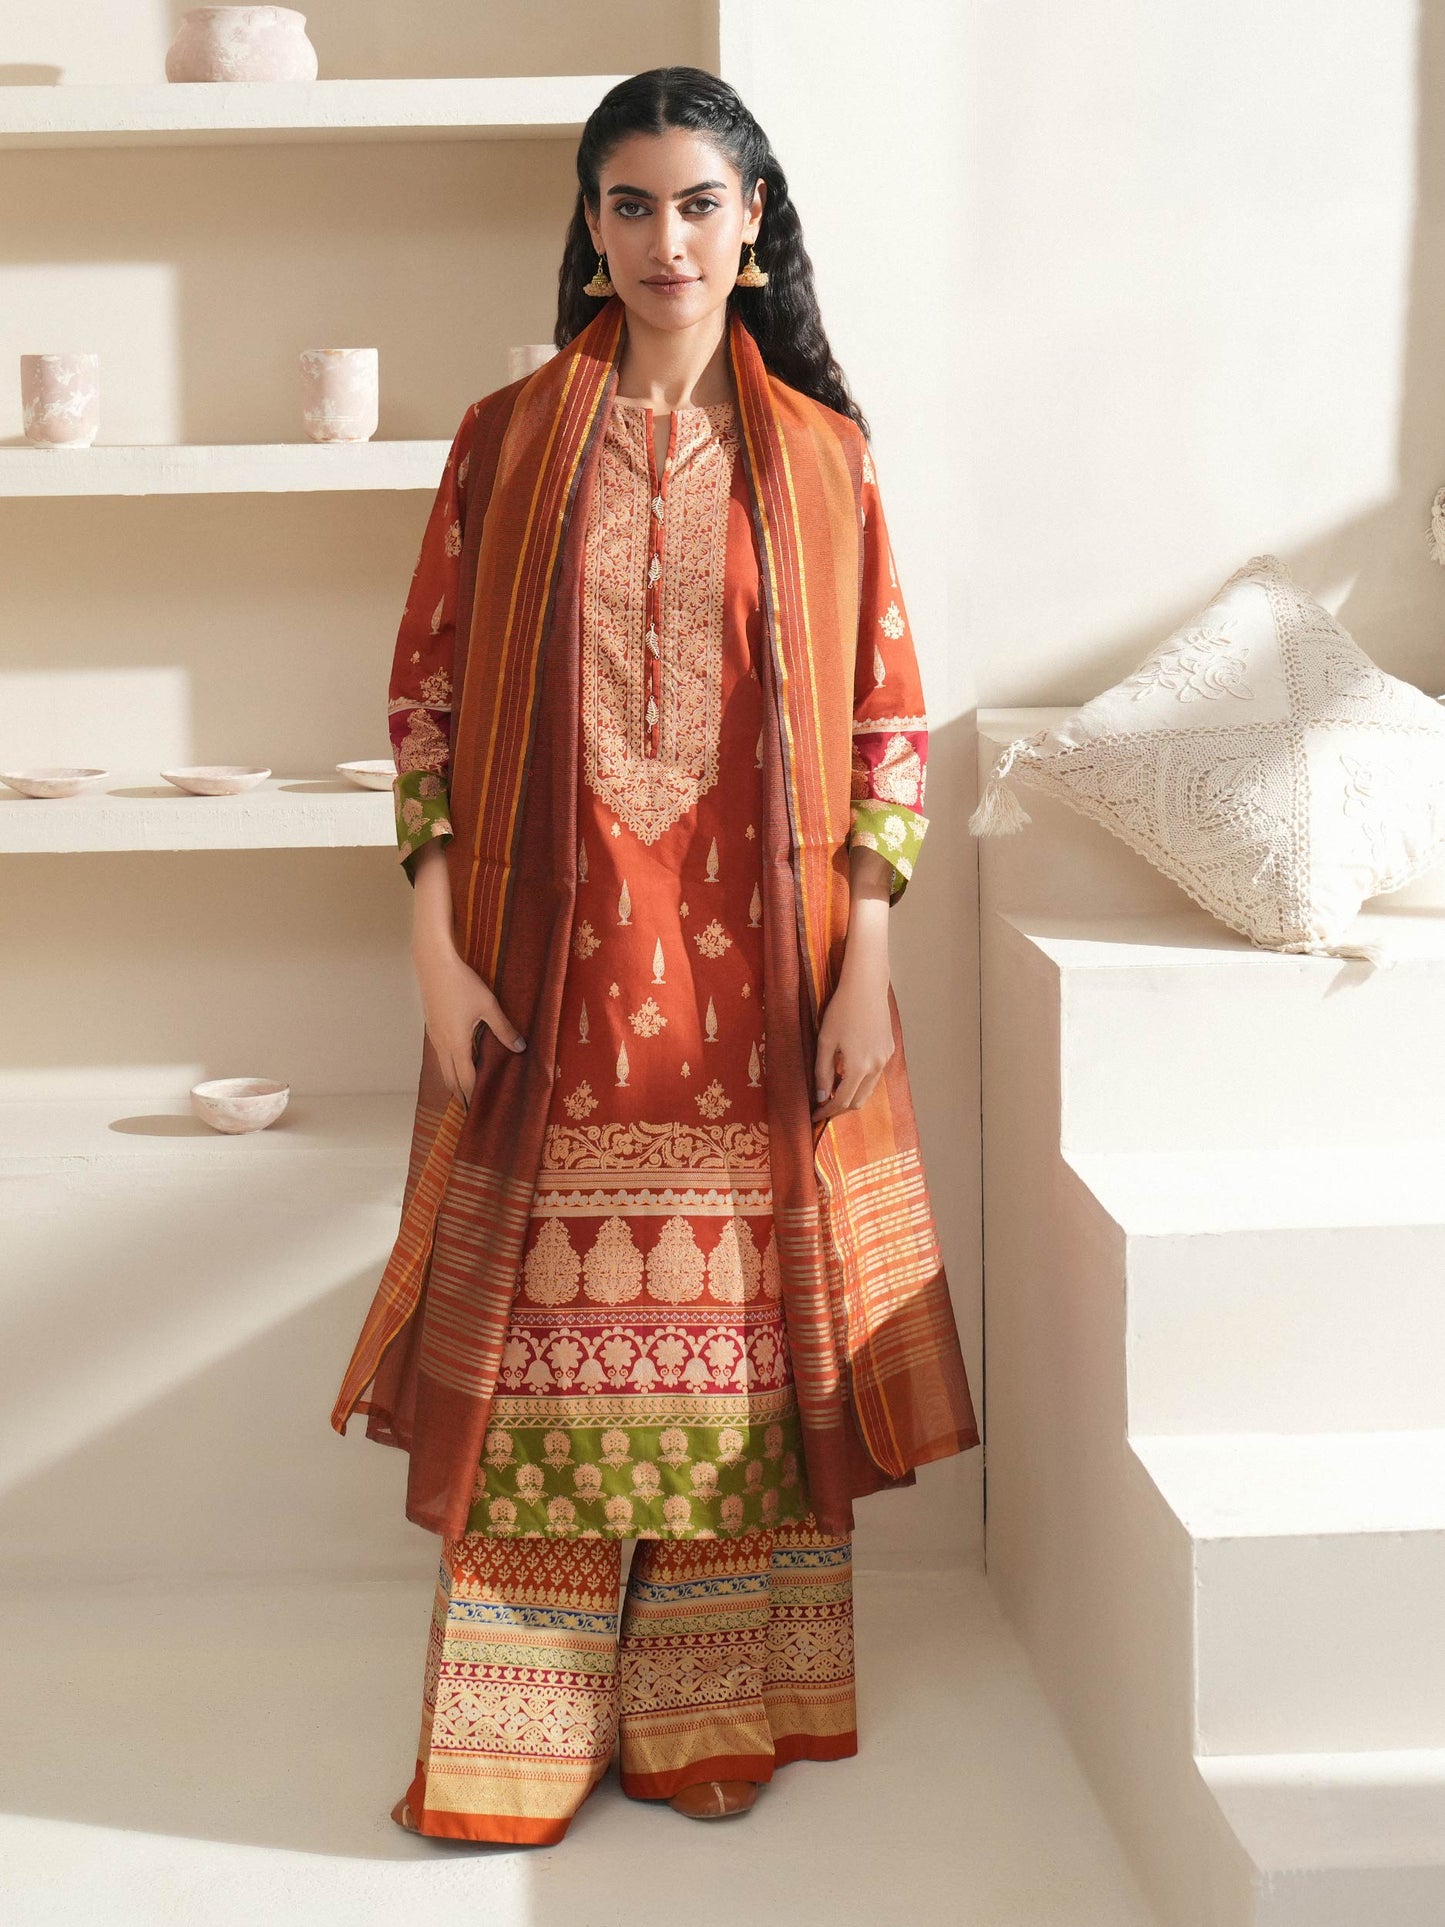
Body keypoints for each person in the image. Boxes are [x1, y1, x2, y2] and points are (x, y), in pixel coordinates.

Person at [330, 64, 979, 1846]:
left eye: (697, 203)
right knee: (550, 1351)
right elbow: (423, 710)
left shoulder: (824, 459)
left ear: (751, 221)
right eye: (629, 205)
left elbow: (887, 728)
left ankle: (708, 1707)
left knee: (732, 1353)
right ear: (590, 226)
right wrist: (433, 951)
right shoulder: (505, 441)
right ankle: (520, 1736)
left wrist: (867, 962)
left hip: (765, 982)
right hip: (543, 974)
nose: (664, 240)